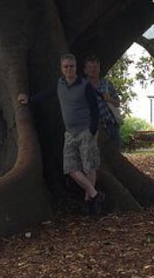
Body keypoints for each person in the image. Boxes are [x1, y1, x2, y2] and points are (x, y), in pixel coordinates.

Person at [18, 53, 106, 214]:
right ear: (61, 68)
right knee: (70, 168)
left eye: (71, 66)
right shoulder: (59, 84)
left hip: (86, 131)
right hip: (70, 133)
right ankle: (95, 194)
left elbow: (95, 110)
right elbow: (45, 95)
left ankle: (89, 202)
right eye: (65, 66)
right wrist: (29, 99)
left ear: (76, 67)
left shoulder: (85, 85)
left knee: (89, 167)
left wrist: (92, 130)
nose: (69, 69)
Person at [83, 55, 123, 151]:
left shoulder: (107, 84)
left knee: (116, 155)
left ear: (99, 68)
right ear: (85, 70)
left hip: (111, 126)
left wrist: (109, 99)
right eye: (90, 67)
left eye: (95, 67)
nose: (93, 70)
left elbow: (117, 103)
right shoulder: (83, 88)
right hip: (95, 128)